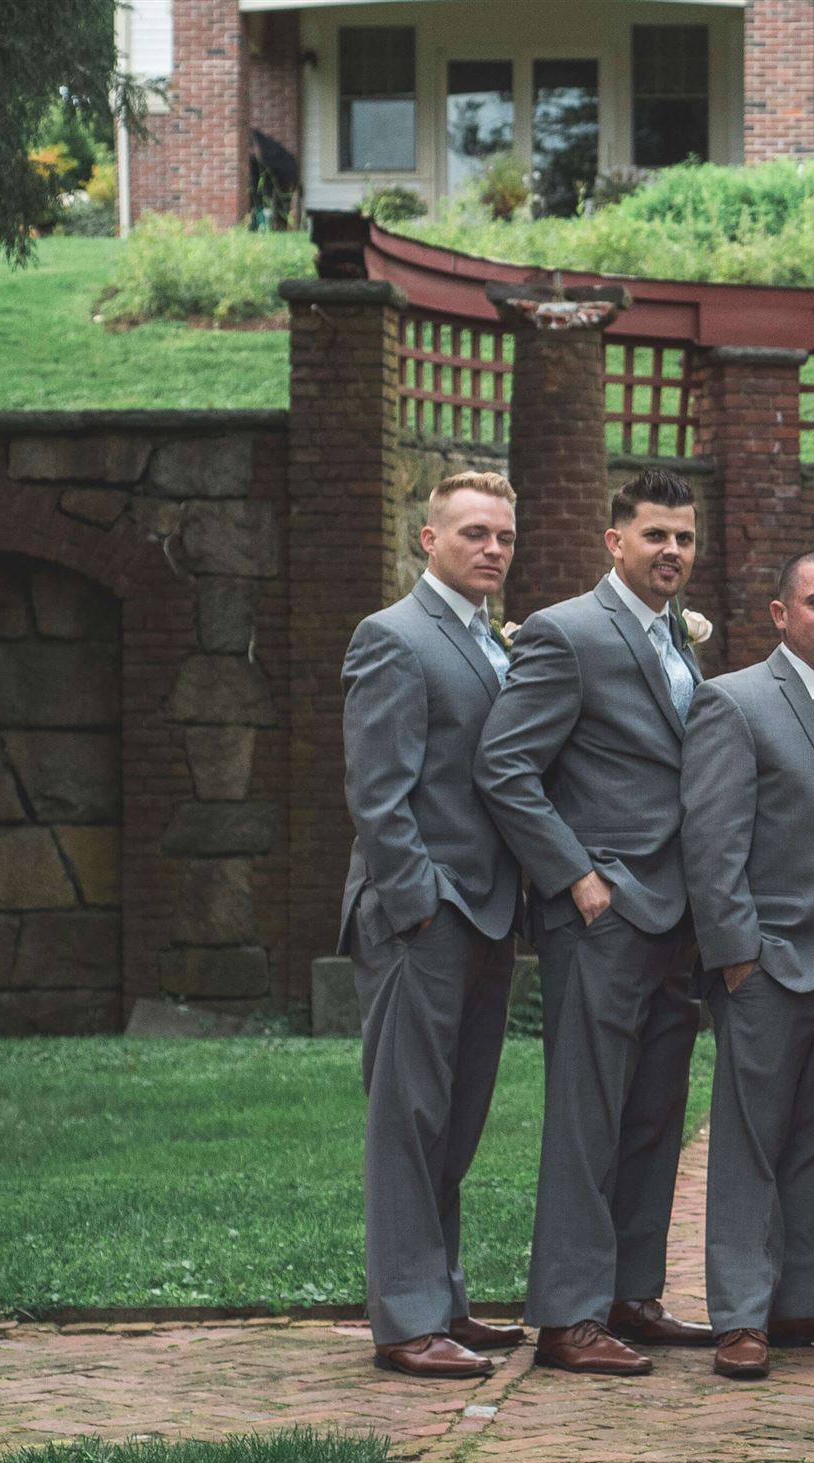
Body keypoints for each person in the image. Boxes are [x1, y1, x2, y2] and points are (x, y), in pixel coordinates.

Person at [475, 469, 715, 1377]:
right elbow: (505, 767)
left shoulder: (681, 641)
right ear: (615, 541)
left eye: (684, 538)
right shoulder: (567, 632)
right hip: (604, 916)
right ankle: (569, 1315)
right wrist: (575, 876)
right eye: (656, 535)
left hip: (675, 919)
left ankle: (629, 1293)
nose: (672, 552)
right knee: (587, 1118)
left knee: (653, 1113)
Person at [681, 552, 814, 1380]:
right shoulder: (734, 702)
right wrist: (736, 955)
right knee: (750, 1144)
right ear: (781, 613)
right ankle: (740, 1315)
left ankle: (805, 1295)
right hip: (768, 962)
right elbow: (712, 840)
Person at [339, 471, 528, 1379]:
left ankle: (443, 1296)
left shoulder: (491, 639)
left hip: (488, 913)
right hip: (423, 916)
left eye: (503, 536)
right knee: (408, 1120)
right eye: (474, 533)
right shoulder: (395, 638)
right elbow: (380, 796)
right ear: (429, 540)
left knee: (455, 1119)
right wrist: (417, 907)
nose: (491, 548)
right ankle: (406, 1321)